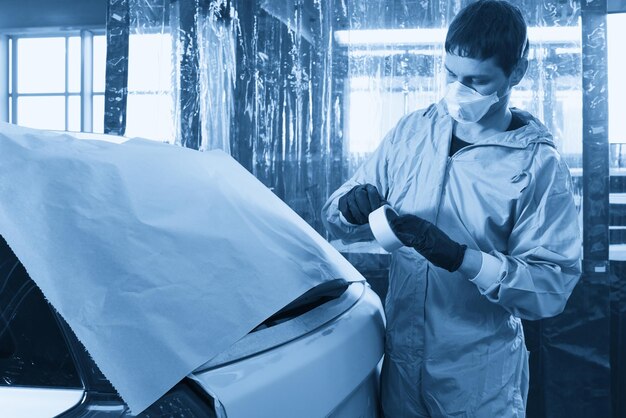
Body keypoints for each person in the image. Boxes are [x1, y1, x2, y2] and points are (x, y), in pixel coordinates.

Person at [321, 1, 582, 416]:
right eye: (451, 75)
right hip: (401, 371)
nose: (459, 90)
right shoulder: (413, 131)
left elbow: (550, 287)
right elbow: (336, 208)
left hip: (477, 380)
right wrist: (348, 208)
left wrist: (465, 260)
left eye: (477, 81)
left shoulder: (537, 167)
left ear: (516, 73)